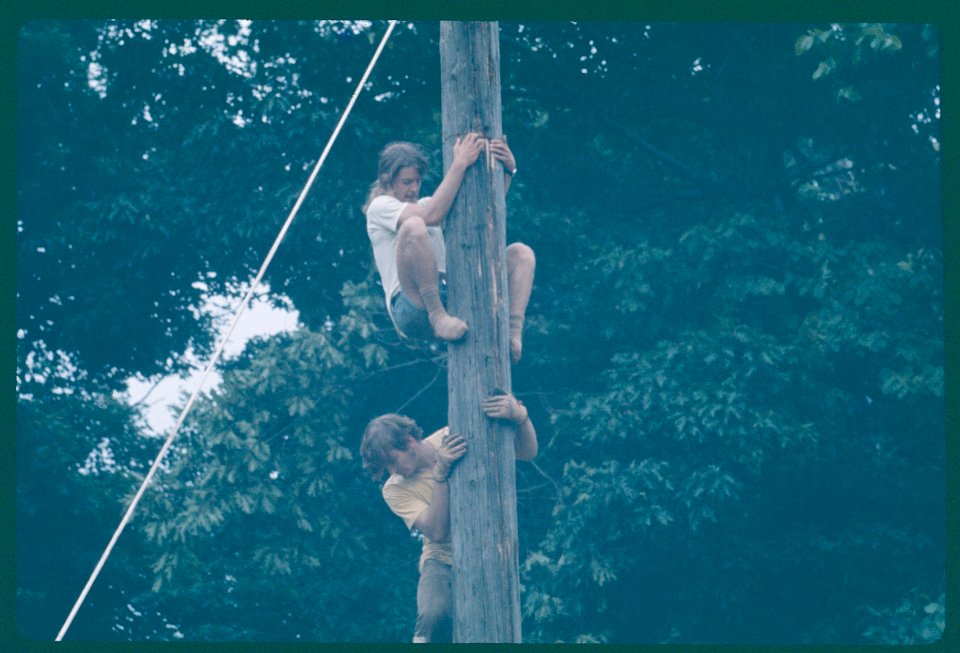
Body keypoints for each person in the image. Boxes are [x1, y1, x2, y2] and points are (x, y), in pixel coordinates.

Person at [360, 392, 538, 643]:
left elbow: (527, 452)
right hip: (441, 559)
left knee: (499, 627)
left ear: (409, 441)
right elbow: (437, 531)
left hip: (490, 552)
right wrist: (440, 474)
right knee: (432, 615)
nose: (392, 471)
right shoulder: (394, 488)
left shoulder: (451, 435)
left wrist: (520, 417)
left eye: (391, 461)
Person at [363, 134, 536, 362]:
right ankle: (437, 315)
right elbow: (430, 216)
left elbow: (483, 211)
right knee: (414, 226)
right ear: (387, 180)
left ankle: (512, 333)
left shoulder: (427, 205)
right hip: (412, 305)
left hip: (451, 294)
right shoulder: (380, 206)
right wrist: (460, 163)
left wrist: (507, 171)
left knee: (521, 253)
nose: (414, 188)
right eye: (407, 182)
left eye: (417, 181)